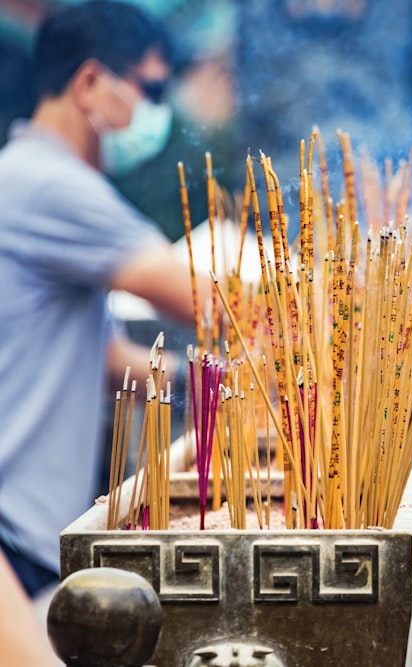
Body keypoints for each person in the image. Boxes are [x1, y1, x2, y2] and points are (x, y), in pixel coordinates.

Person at [0, 1, 207, 599]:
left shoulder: (27, 176)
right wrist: (324, 311)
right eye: (152, 89)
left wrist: (204, 386)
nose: (157, 112)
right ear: (90, 82)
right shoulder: (49, 185)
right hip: (16, 531)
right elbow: (201, 300)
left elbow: (101, 354)